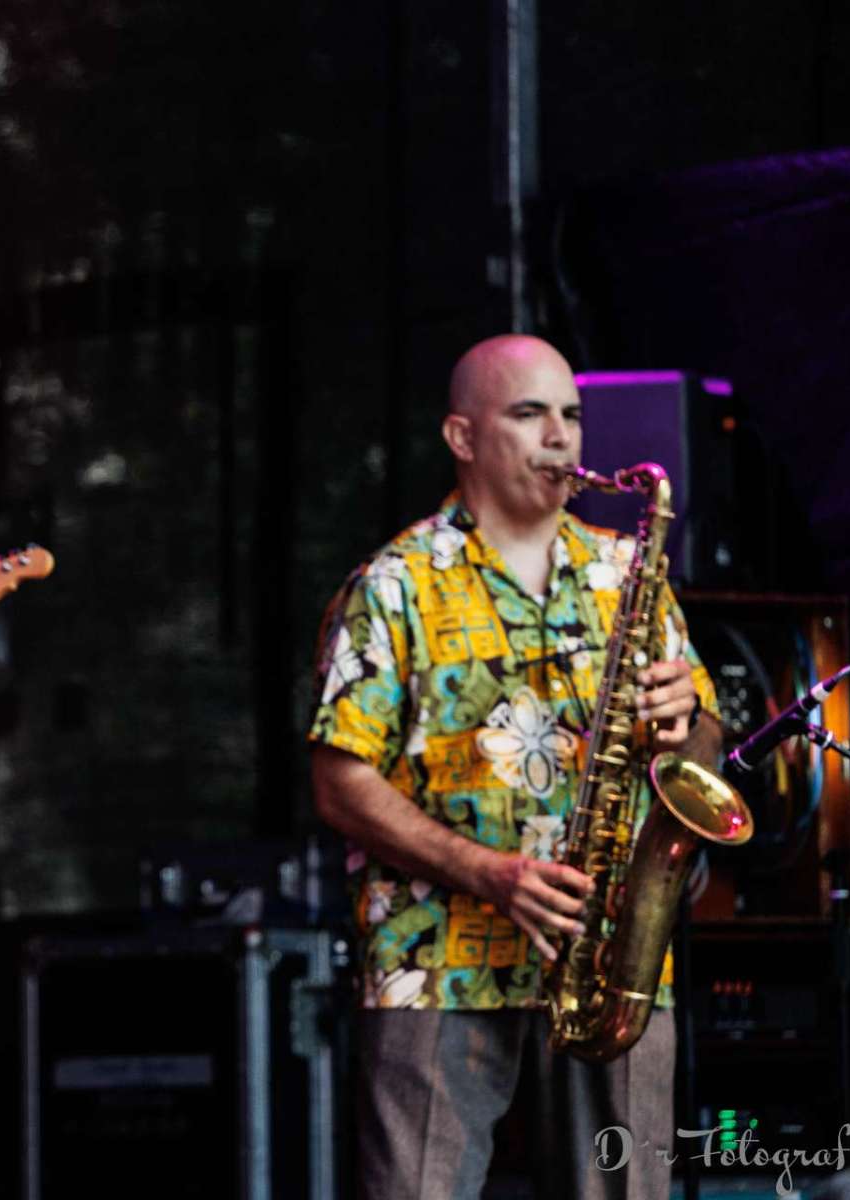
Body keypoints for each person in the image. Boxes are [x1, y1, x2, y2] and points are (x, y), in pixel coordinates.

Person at [308, 334, 723, 1200]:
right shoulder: (392, 584)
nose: (561, 437)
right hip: (437, 962)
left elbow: (703, 759)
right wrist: (491, 874)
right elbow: (340, 782)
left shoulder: (627, 571)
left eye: (571, 414)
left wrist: (686, 721)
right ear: (461, 437)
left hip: (615, 959)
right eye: (529, 414)